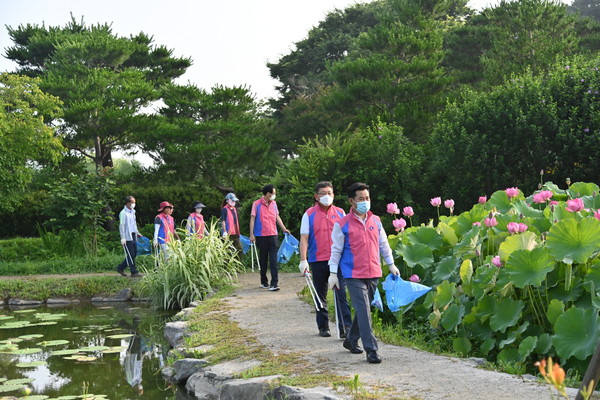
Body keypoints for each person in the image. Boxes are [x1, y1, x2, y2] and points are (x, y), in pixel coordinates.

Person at [328, 182, 400, 364]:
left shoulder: (375, 220)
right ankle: (372, 349)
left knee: (364, 310)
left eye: (367, 198)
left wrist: (391, 264)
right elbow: (336, 250)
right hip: (353, 274)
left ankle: (351, 340)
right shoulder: (342, 224)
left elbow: (383, 244)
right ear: (352, 201)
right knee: (364, 310)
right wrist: (333, 274)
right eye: (361, 199)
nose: (365, 202)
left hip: (374, 271)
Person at [299, 181, 352, 338]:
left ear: (333, 195)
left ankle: (345, 327)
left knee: (340, 293)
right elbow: (304, 238)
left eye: (329, 193)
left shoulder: (341, 213)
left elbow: (348, 237)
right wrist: (303, 260)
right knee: (320, 293)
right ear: (316, 196)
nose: (326, 196)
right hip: (317, 259)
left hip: (337, 260)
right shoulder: (309, 214)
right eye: (323, 193)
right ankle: (323, 326)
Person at [249, 185, 290, 291]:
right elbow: (252, 219)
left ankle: (274, 283)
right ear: (268, 194)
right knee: (263, 260)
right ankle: (264, 281)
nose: (274, 195)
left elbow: (277, 217)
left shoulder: (274, 204)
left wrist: (284, 228)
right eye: (273, 193)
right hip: (261, 236)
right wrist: (251, 234)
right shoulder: (256, 204)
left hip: (273, 235)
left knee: (273, 260)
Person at [116, 196, 142, 278]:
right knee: (131, 254)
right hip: (127, 236)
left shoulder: (133, 212)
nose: (134, 204)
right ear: (128, 203)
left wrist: (137, 232)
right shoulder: (123, 213)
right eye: (132, 202)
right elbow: (122, 226)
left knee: (134, 253)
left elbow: (134, 224)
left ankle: (120, 267)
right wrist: (123, 237)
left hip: (133, 234)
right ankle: (134, 272)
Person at [221, 193, 243, 257]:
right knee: (229, 251)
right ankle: (227, 266)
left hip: (235, 233)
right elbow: (223, 221)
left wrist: (238, 232)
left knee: (239, 249)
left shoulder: (234, 209)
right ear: (227, 200)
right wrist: (224, 231)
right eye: (232, 200)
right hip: (228, 234)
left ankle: (237, 266)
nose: (234, 202)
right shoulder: (224, 209)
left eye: (234, 200)